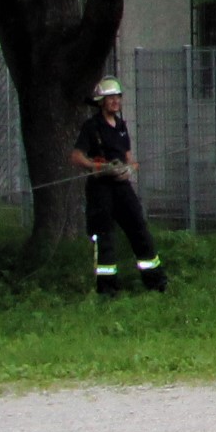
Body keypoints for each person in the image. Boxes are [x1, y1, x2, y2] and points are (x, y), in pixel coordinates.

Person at [72, 77, 165, 295]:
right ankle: (107, 289)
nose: (115, 101)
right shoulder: (91, 127)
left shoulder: (121, 126)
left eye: (118, 97)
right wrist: (98, 166)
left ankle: (156, 282)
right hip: (100, 190)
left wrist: (130, 169)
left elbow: (129, 158)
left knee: (139, 229)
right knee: (104, 236)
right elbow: (76, 157)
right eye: (110, 98)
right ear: (101, 101)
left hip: (122, 188)